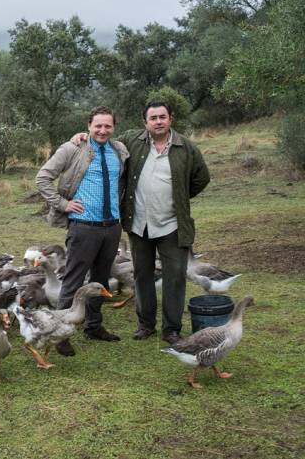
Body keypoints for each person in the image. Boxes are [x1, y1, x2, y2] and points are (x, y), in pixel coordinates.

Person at [71, 101, 210, 344]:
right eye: (153, 118)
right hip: (138, 224)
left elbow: (202, 178)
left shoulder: (186, 147)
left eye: (162, 117)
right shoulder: (131, 141)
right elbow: (103, 135)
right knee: (142, 274)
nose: (158, 121)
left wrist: (180, 195)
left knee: (175, 276)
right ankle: (146, 325)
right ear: (145, 122)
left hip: (172, 224)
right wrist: (83, 135)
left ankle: (172, 329)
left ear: (170, 119)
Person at [36, 106, 129, 356]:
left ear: (113, 127)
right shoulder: (72, 149)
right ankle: (61, 333)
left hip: (112, 226)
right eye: (97, 125)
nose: (102, 130)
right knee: (74, 280)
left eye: (107, 125)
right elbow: (43, 177)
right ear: (88, 125)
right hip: (83, 226)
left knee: (100, 280)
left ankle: (94, 325)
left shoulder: (119, 151)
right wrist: (63, 204)